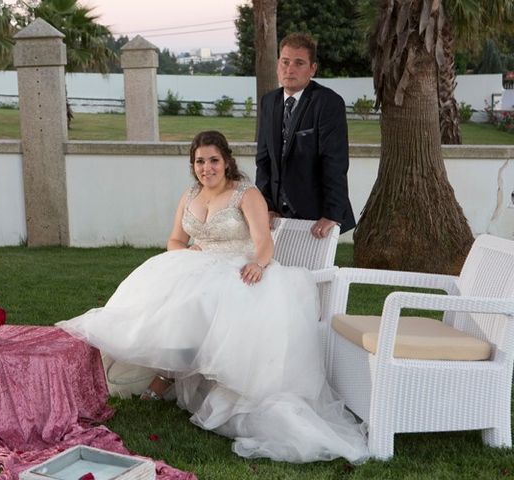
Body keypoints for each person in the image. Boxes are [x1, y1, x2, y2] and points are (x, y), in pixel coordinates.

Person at [57, 131, 368, 464]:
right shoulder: (190, 194)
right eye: (200, 161)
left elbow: (264, 242)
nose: (207, 168)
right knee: (165, 299)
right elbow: (174, 240)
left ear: (227, 161)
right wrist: (187, 252)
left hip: (239, 268)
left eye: (213, 160)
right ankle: (166, 372)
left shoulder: (245, 194)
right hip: (199, 265)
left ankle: (169, 378)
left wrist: (258, 264)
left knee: (199, 301)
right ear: (193, 165)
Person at [256, 33, 356, 239]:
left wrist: (332, 214)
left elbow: (335, 162)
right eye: (285, 62)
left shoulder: (328, 103)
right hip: (276, 216)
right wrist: (265, 206)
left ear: (312, 68)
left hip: (316, 215)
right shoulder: (269, 102)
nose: (289, 69)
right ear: (277, 64)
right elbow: (264, 160)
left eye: (299, 63)